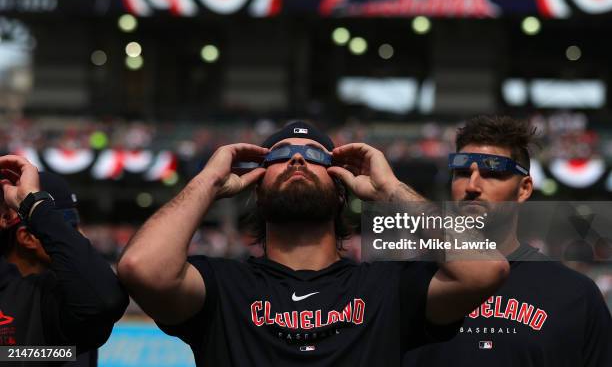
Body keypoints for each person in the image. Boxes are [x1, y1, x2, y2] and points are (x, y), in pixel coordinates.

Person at [118, 121, 510, 366]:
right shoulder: (220, 287)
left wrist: (390, 189)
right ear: (255, 189)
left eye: (314, 157)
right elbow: (141, 268)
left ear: (341, 190)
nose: (297, 161)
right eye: (282, 155)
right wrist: (207, 181)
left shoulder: (387, 289)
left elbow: (484, 269)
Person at [403, 115, 612, 367]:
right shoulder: (405, 284)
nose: (472, 185)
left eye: (492, 173)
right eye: (461, 173)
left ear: (523, 189)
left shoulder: (576, 296)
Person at [0, 156, 128, 364]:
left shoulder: (71, 306)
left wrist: (34, 205)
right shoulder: (31, 300)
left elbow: (106, 301)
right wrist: (34, 206)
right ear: (26, 237)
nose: (80, 237)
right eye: (70, 226)